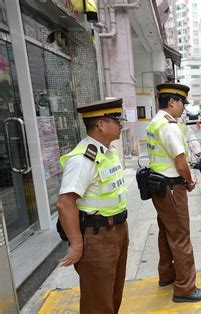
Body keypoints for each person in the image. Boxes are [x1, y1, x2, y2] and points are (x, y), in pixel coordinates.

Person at [56, 98, 129, 313]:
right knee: (97, 301)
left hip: (116, 229)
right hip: (97, 236)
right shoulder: (83, 159)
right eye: (116, 120)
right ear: (101, 125)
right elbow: (65, 203)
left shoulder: (107, 151)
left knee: (113, 294)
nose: (121, 125)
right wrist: (77, 243)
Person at [146, 83, 201, 302]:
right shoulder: (169, 126)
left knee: (166, 233)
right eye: (182, 103)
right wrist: (189, 180)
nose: (183, 107)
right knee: (181, 236)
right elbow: (180, 162)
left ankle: (167, 275)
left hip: (159, 188)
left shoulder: (154, 122)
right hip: (172, 188)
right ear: (172, 102)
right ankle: (185, 288)